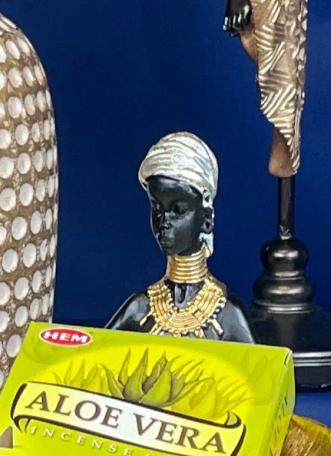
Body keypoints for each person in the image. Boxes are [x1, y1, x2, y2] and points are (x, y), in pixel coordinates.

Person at [105, 131, 254, 341]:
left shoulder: (228, 315)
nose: (165, 221)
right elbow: (94, 354)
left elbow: (261, 363)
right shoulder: (139, 308)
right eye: (157, 209)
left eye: (179, 210)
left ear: (206, 220)